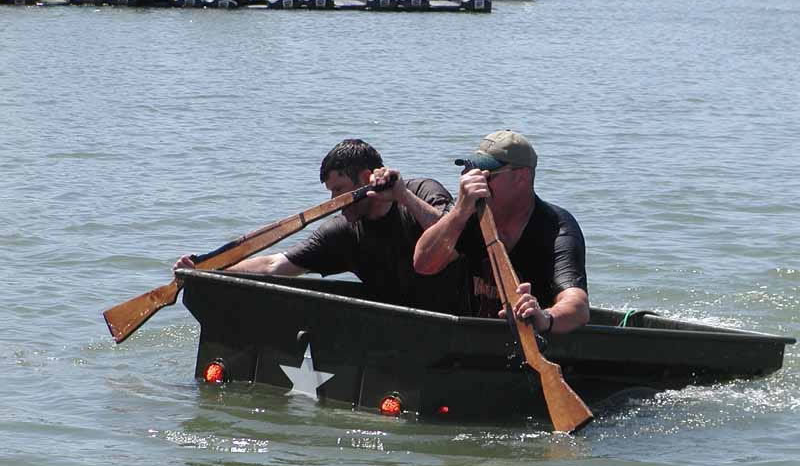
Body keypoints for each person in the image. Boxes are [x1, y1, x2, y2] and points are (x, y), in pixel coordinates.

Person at [174, 139, 468, 313]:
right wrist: (208, 271)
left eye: (339, 190)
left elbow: (456, 236)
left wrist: (402, 196)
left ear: (367, 179)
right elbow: (274, 266)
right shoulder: (342, 232)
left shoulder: (422, 192)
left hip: (458, 319)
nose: (333, 201)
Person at [413, 130, 589, 335]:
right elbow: (424, 264)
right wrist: (459, 211)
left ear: (522, 177)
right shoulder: (467, 211)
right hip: (473, 335)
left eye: (487, 174)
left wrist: (544, 318)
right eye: (472, 172)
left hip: (534, 341)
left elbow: (578, 307)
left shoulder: (556, 227)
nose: (476, 181)